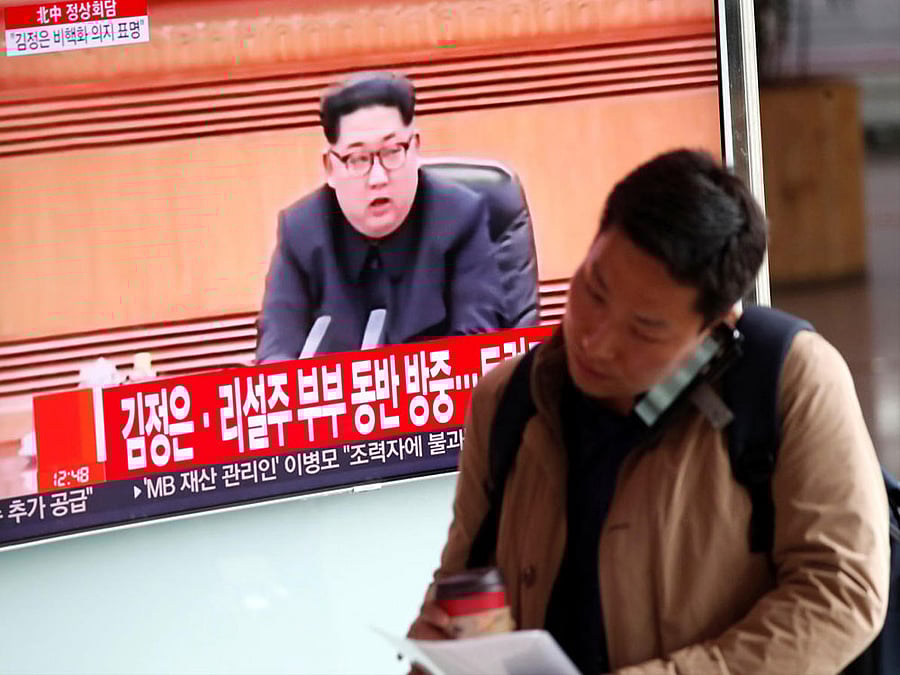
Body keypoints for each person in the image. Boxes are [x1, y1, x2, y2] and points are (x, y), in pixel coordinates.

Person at [407, 149, 890, 674]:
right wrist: (441, 651)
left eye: (644, 329)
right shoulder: (510, 400)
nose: (595, 341)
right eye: (594, 291)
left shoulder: (787, 380)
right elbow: (463, 584)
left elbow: (840, 594)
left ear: (715, 328)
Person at [256, 72, 505, 362]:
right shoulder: (300, 233)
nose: (378, 178)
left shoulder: (460, 218)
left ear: (415, 149)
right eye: (357, 159)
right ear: (330, 168)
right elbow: (276, 351)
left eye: (392, 151)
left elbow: (480, 345)